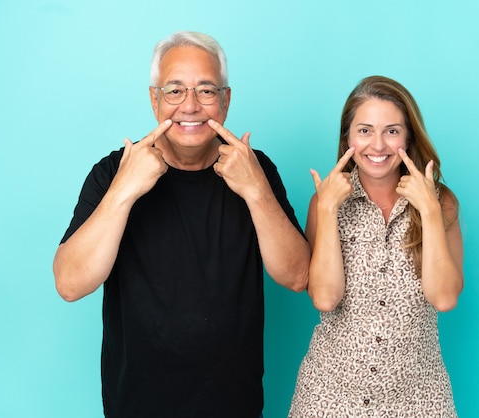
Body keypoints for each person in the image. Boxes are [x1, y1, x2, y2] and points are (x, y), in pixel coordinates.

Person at [53, 31, 310, 418]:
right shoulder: (112, 173)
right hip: (135, 406)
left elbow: (298, 276)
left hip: (233, 406)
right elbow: (70, 284)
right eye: (174, 91)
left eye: (206, 91)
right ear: (154, 99)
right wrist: (124, 191)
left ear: (225, 100)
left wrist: (256, 191)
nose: (190, 106)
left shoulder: (256, 169)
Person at [288, 76, 464, 417]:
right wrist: (326, 209)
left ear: (409, 136)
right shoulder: (325, 202)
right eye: (365, 131)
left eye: (392, 131)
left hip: (419, 398)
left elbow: (444, 298)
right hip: (329, 397)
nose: (378, 145)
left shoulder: (441, 203)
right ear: (348, 138)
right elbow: (324, 298)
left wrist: (427, 210)